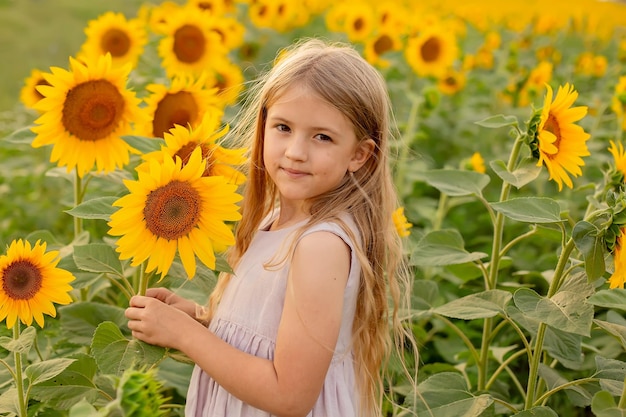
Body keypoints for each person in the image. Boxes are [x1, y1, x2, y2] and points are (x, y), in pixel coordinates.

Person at [125, 38, 417, 417]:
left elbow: (289, 396)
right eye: (283, 127)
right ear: (263, 126)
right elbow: (267, 335)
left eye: (322, 136)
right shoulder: (274, 219)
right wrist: (202, 320)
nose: (296, 151)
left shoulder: (320, 246)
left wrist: (186, 335)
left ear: (359, 155)